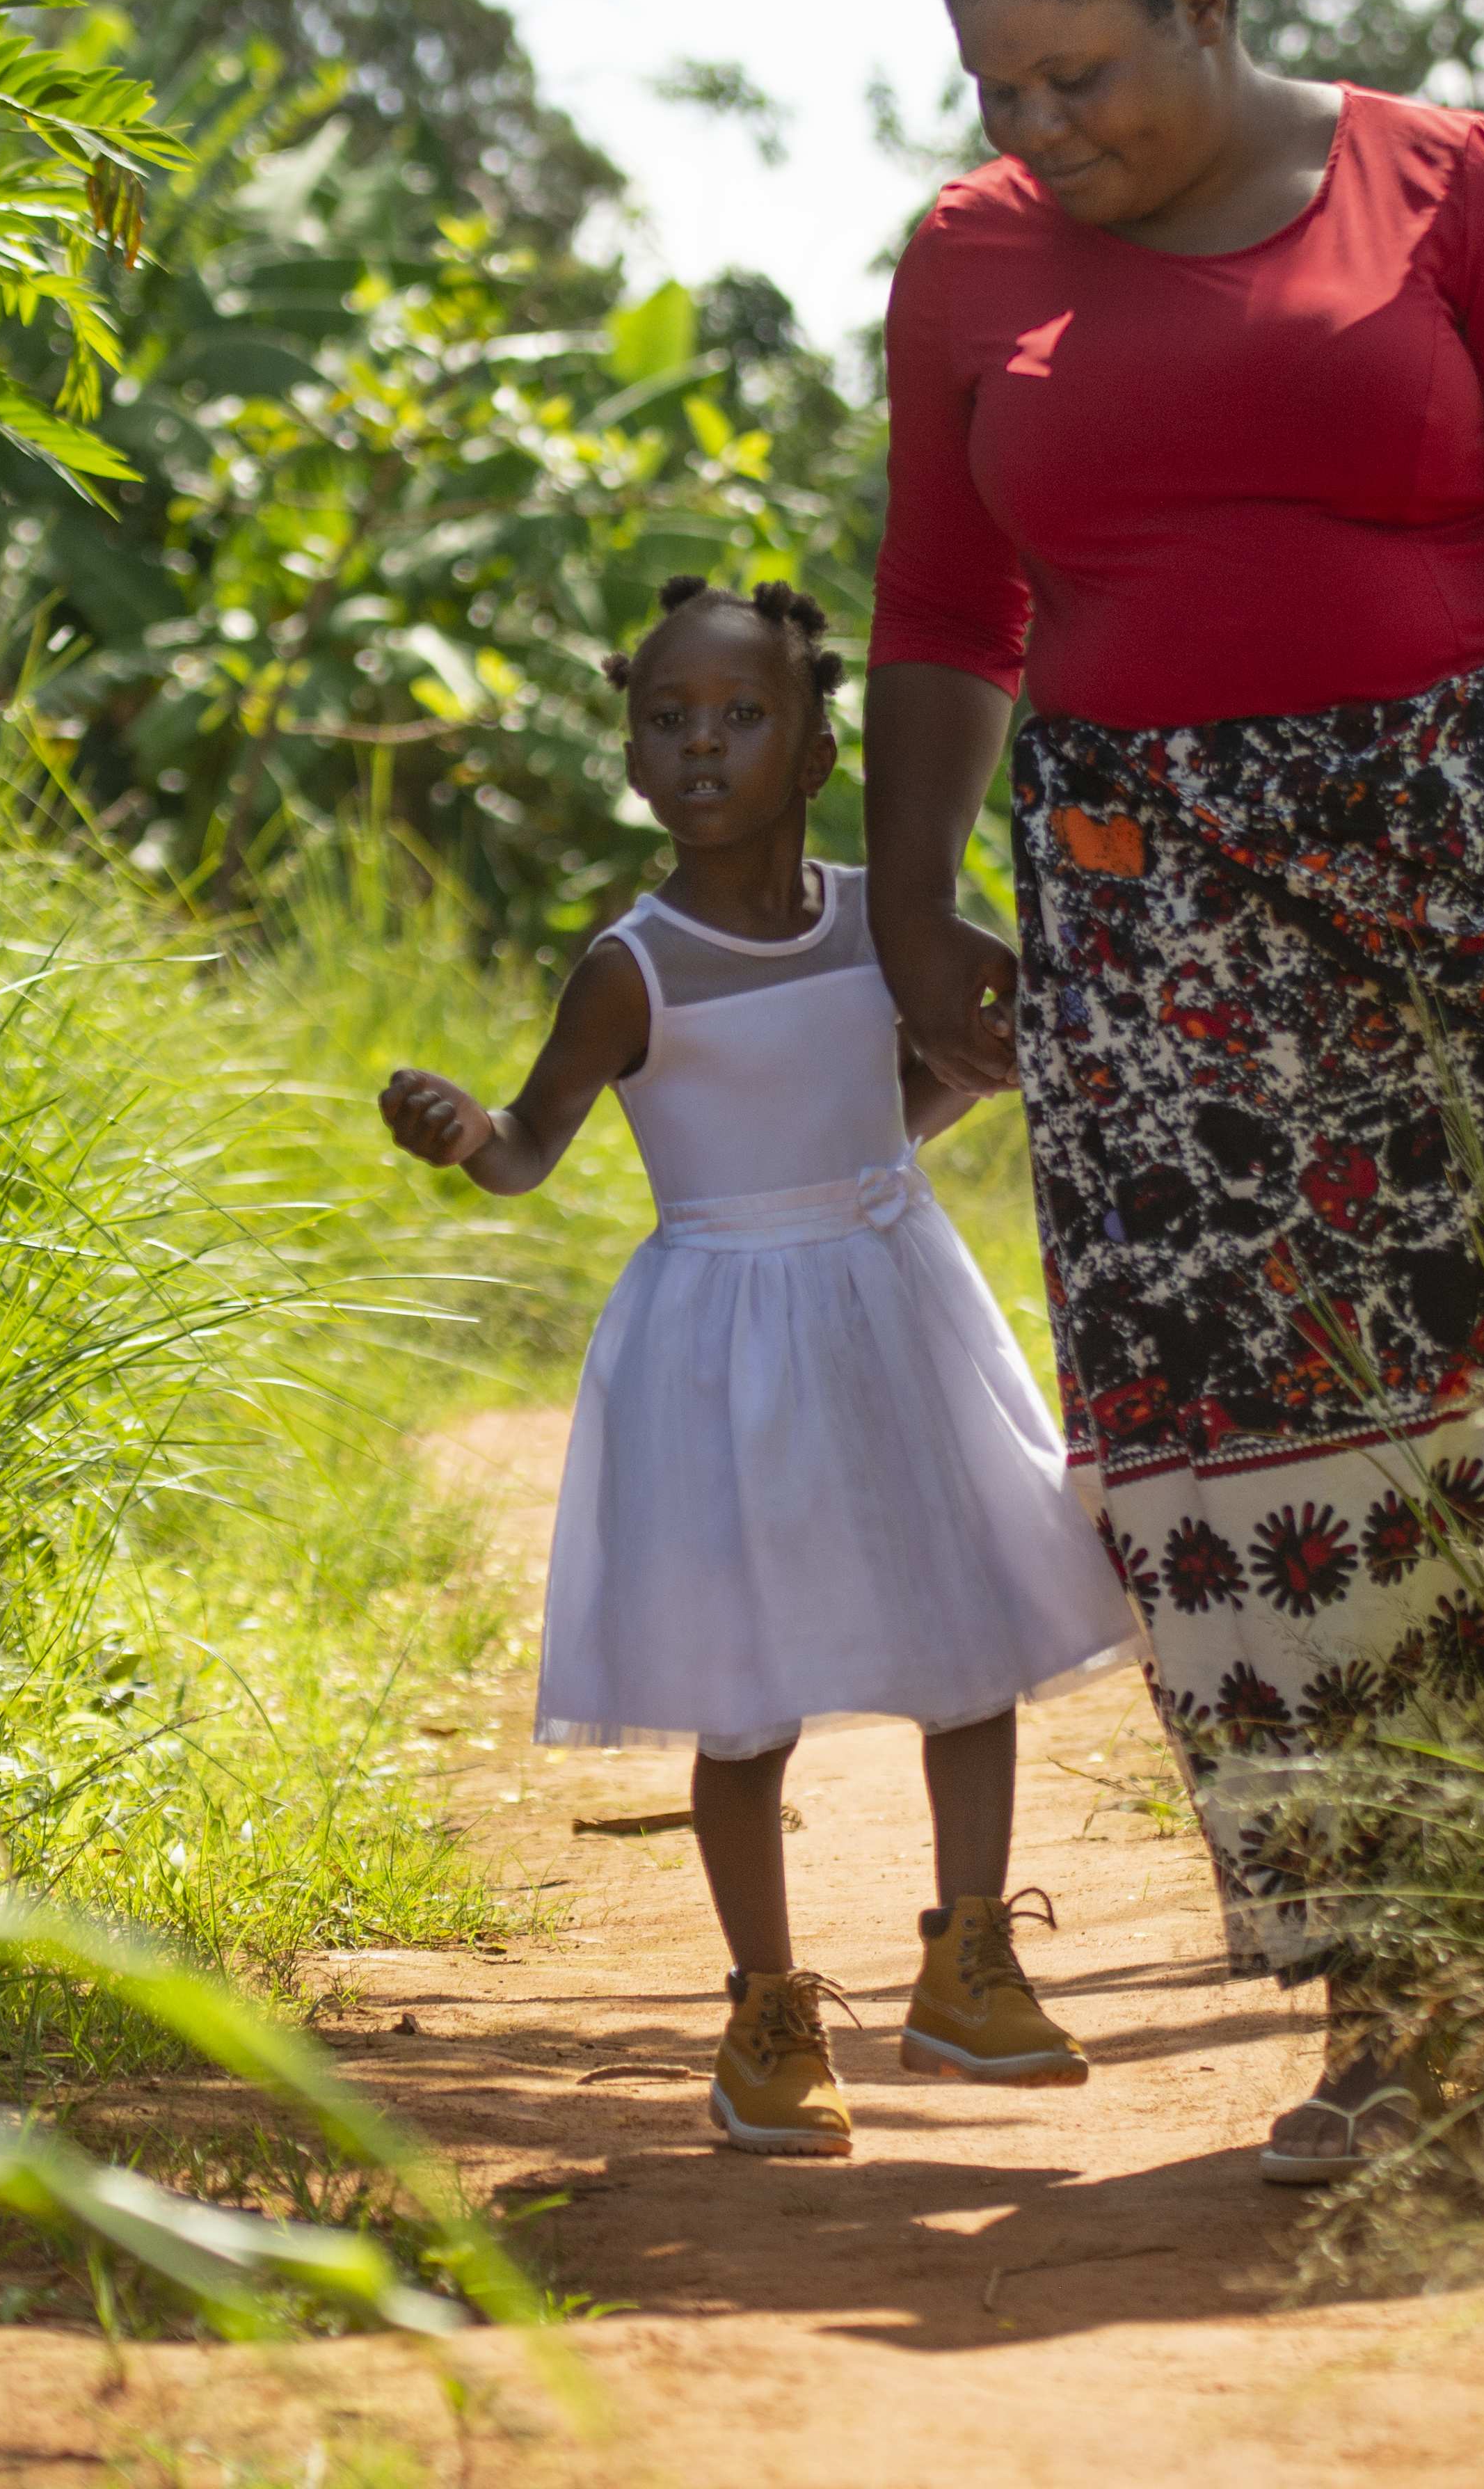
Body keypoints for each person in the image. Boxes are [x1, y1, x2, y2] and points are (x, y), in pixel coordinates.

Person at [862, 0, 1484, 2186]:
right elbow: (939, 606)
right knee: (1250, 1452)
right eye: (1002, 92)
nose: (1044, 130)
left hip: (1472, 894)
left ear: (1212, 1)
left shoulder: (1455, 194)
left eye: (1083, 73)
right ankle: (1395, 2007)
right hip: (1145, 922)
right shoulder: (972, 268)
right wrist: (908, 913)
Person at [381, 575, 1140, 2160]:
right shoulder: (630, 967)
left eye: (742, 715)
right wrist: (469, 1135)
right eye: (669, 720)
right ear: (635, 758)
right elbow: (532, 1147)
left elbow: (962, 1064)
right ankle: (767, 2009)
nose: (703, 743)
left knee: (971, 1630)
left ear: (814, 752)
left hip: (892, 1289)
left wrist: (906, 1131)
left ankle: (970, 1957)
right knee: (746, 1696)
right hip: (724, 1336)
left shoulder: (890, 918)